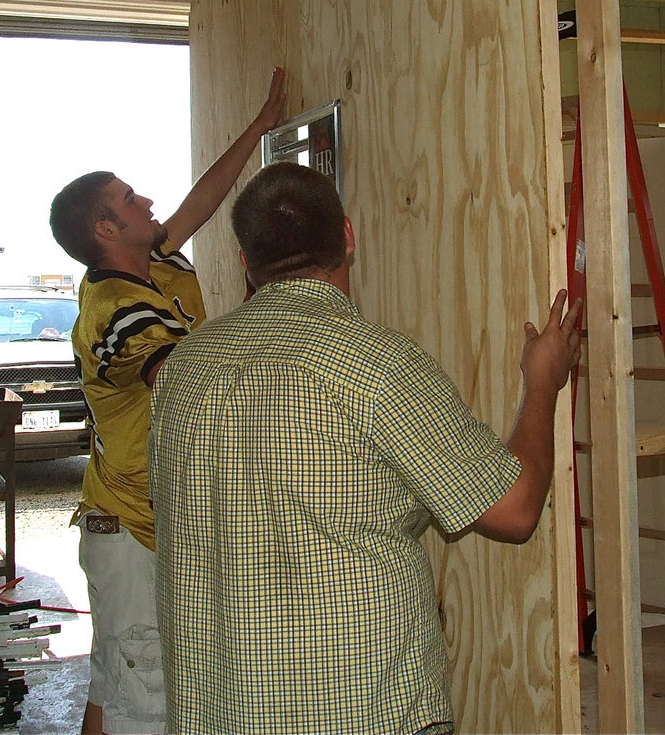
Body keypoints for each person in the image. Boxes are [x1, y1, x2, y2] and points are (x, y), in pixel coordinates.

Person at [148, 161, 582, 734]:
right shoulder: (375, 366)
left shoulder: (185, 366)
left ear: (245, 261)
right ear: (348, 237)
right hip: (357, 711)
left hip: (217, 713)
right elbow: (515, 509)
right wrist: (543, 385)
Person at [48, 67, 287, 735]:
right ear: (105, 228)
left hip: (139, 522)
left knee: (114, 688)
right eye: (130, 199)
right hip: (131, 531)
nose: (147, 201)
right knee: (143, 704)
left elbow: (198, 203)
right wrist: (271, 303)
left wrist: (258, 129)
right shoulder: (115, 309)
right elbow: (185, 383)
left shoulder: (149, 260)